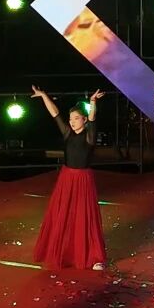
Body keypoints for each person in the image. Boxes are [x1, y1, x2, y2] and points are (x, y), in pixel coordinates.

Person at [31, 87, 108, 271]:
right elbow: (55, 114)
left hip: (83, 179)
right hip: (66, 178)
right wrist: (44, 96)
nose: (72, 122)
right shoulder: (67, 133)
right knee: (63, 214)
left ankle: (94, 256)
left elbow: (93, 119)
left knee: (84, 216)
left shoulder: (89, 136)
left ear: (84, 120)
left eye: (76, 118)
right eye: (71, 119)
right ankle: (64, 252)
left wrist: (93, 102)